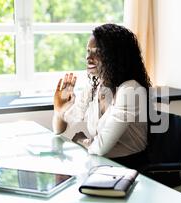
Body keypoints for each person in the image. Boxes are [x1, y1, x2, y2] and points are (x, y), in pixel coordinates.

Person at [52, 23, 151, 169]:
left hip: (130, 168)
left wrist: (81, 139)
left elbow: (100, 147)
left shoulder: (130, 89)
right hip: (102, 164)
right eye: (88, 51)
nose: (88, 57)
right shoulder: (94, 86)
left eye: (96, 52)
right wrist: (60, 111)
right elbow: (59, 129)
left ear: (115, 55)